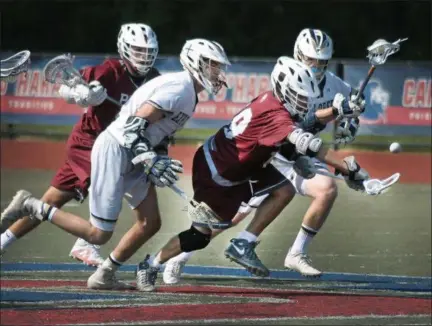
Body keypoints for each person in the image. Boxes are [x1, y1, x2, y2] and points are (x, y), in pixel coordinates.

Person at [1, 38, 231, 290]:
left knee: (150, 223)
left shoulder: (187, 91)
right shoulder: (179, 88)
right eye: (213, 65)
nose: (218, 72)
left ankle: (105, 274)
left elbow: (159, 132)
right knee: (97, 234)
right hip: (116, 149)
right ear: (195, 62)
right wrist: (150, 160)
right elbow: (134, 127)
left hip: (132, 154)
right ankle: (32, 205)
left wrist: (160, 157)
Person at [137, 56, 369, 291]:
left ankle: (243, 243)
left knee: (284, 190)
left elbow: (306, 122)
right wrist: (347, 168)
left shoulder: (273, 101)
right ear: (283, 89)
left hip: (239, 163)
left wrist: (338, 111)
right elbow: (310, 143)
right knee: (199, 235)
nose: (303, 101)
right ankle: (151, 264)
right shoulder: (275, 115)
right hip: (219, 172)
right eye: (298, 95)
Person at [0, 23, 161, 267]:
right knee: (113, 185)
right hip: (90, 144)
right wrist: (82, 96)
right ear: (124, 49)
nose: (144, 57)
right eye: (138, 51)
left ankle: (3, 241)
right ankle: (86, 244)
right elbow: (67, 88)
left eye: (148, 52)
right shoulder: (109, 71)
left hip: (117, 148)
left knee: (51, 202)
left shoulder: (155, 80)